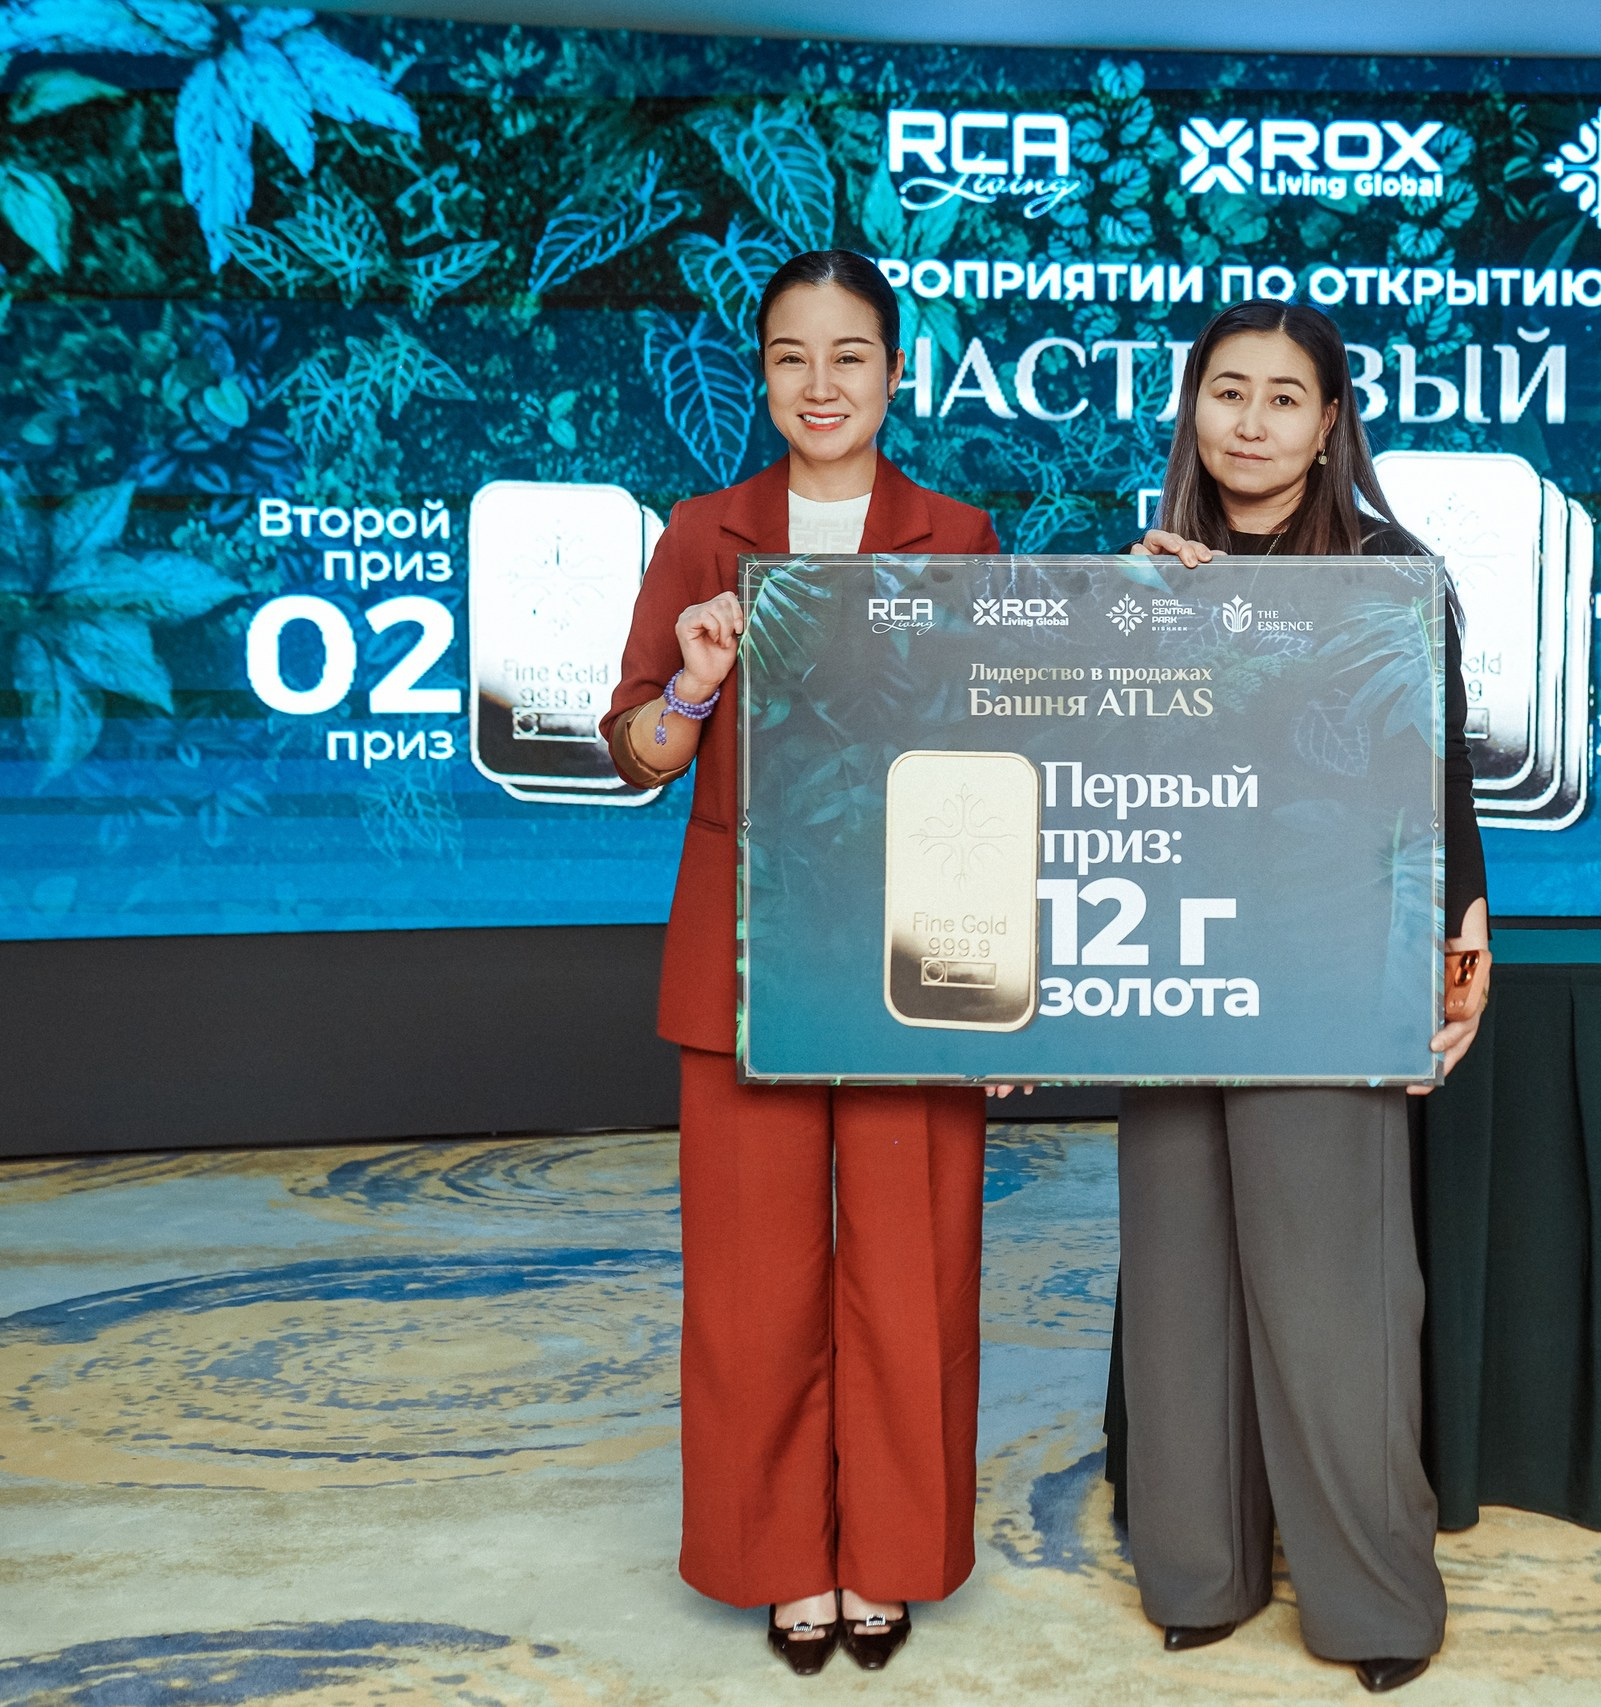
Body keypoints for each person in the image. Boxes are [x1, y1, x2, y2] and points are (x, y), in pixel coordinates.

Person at [599, 250, 1004, 1678]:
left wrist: (994, 994)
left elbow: (992, 759)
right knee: (754, 1282)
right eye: (790, 357)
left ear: (896, 372)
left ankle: (889, 1555)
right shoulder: (701, 534)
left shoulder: (961, 535)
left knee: (912, 1272)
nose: (819, 385)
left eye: (849, 356)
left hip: (909, 959)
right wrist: (694, 689)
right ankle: (781, 1561)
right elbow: (638, 752)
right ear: (761, 374)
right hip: (744, 958)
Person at [1117, 299, 1491, 1695]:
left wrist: (1463, 931)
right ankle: (1197, 1574)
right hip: (1166, 959)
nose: (1253, 421)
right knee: (1180, 1288)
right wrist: (1125, 622)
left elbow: (1437, 772)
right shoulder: (1144, 575)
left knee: (1336, 1295)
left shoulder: (1391, 576)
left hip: (1329, 959)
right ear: (1192, 408)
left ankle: (1373, 1601)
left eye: (1285, 397)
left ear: (1331, 423)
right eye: (1229, 391)